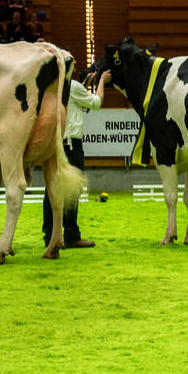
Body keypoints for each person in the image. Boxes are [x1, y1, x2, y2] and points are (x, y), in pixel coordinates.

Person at [42, 69, 111, 249]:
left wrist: (85, 84)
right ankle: (71, 235)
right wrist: (102, 81)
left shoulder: (50, 87)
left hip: (53, 144)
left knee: (51, 189)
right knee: (72, 189)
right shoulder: (72, 87)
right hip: (71, 146)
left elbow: (73, 102)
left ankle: (49, 235)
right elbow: (95, 103)